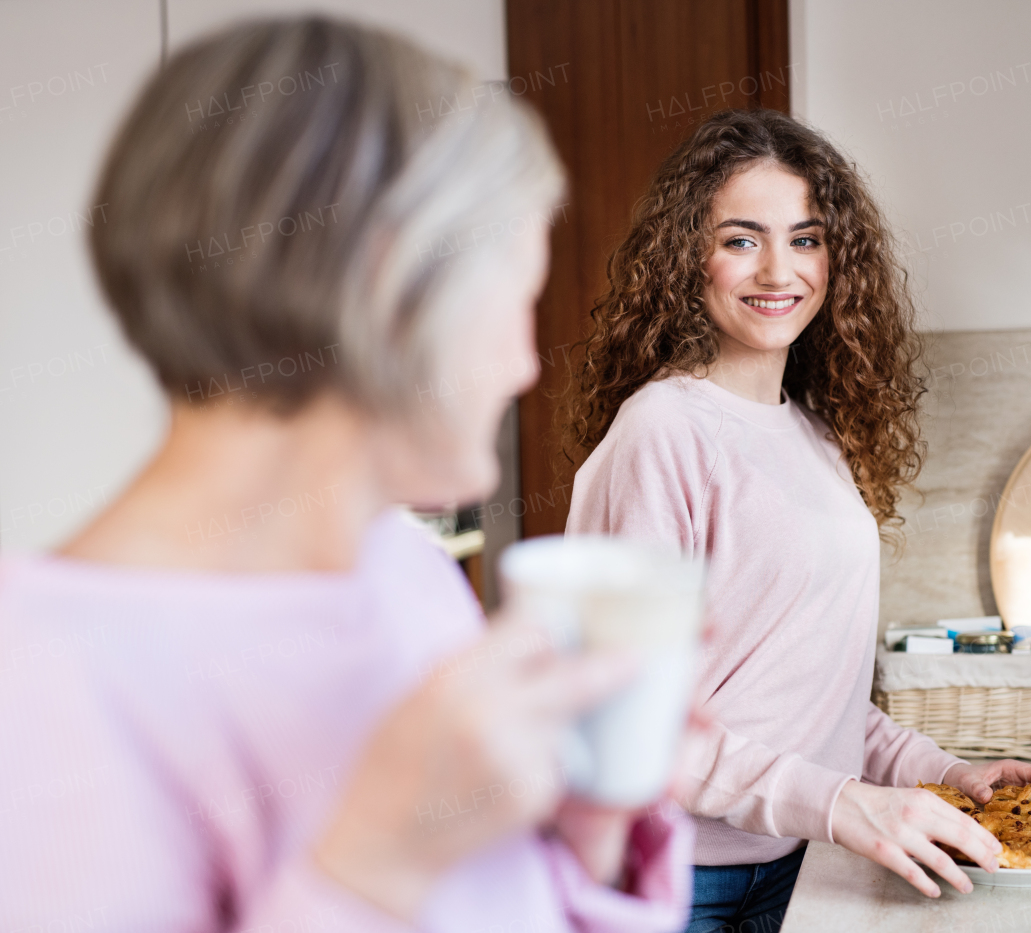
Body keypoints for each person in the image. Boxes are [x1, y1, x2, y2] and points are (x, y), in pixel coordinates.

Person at [0, 18, 692, 932]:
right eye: (517, 300)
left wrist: (590, 819)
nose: (528, 364)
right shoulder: (40, 684)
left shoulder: (407, 574)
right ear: (391, 286)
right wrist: (372, 864)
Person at [561, 109, 1031, 932]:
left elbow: (807, 698)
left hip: (795, 863)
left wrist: (941, 770)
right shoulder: (659, 434)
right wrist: (843, 806)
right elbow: (625, 724)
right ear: (689, 254)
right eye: (740, 238)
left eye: (805, 238)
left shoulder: (815, 433)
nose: (776, 269)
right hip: (677, 877)